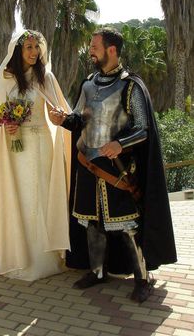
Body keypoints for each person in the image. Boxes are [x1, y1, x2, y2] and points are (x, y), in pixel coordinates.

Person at [50, 28, 177, 302]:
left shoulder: (130, 85)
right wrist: (63, 120)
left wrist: (120, 143)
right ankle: (97, 272)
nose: (90, 50)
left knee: (128, 226)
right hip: (87, 164)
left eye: (95, 46)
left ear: (111, 50)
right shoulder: (88, 84)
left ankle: (143, 278)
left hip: (116, 168)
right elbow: (79, 120)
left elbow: (143, 129)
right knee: (92, 223)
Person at [0, 30, 71, 281]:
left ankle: (49, 256)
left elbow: (59, 110)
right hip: (17, 150)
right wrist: (7, 124)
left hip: (43, 146)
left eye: (36, 47)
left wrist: (58, 116)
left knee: (41, 197)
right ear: (18, 50)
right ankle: (21, 253)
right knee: (22, 198)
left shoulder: (47, 77)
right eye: (28, 47)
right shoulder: (6, 77)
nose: (33, 52)